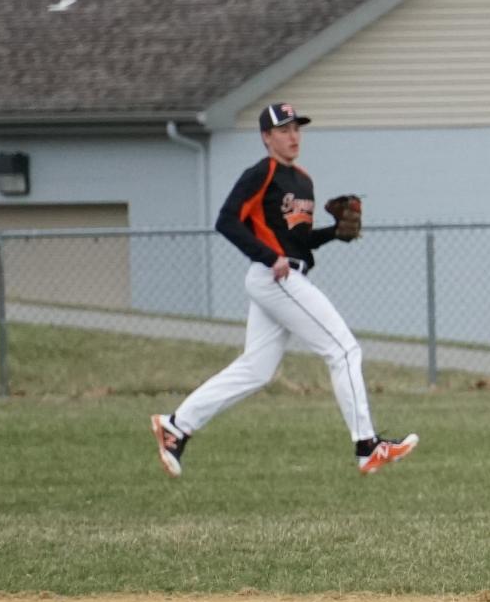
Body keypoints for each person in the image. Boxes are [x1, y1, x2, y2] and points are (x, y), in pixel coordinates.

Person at [149, 102, 419, 478]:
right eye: (284, 130)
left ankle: (176, 426)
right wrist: (267, 255)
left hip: (289, 273)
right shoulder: (262, 173)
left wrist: (335, 233)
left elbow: (300, 241)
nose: (293, 136)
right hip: (275, 276)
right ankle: (367, 446)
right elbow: (227, 220)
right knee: (344, 350)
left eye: (296, 128)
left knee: (256, 369)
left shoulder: (303, 180)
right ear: (266, 137)